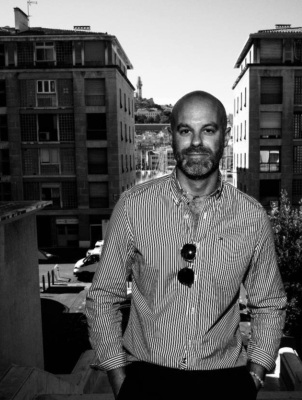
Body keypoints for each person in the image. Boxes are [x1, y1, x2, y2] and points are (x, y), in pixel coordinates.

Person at [85, 91, 287, 399]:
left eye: (208, 130)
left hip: (226, 382)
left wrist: (255, 375)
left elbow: (269, 302)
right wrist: (118, 377)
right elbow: (103, 296)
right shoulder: (133, 207)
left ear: (225, 136)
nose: (196, 142)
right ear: (171, 136)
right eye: (185, 130)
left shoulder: (251, 216)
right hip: (146, 379)